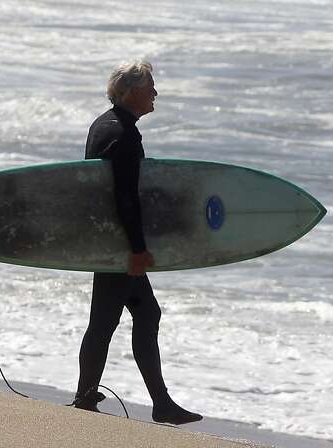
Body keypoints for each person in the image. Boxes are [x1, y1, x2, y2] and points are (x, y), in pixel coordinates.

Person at [71, 60, 202, 425]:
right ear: (131, 93)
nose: (156, 93)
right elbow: (125, 197)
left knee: (134, 314)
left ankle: (138, 400)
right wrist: (137, 250)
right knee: (109, 319)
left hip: (107, 238)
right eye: (151, 88)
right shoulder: (123, 135)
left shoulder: (105, 124)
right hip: (118, 244)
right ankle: (90, 398)